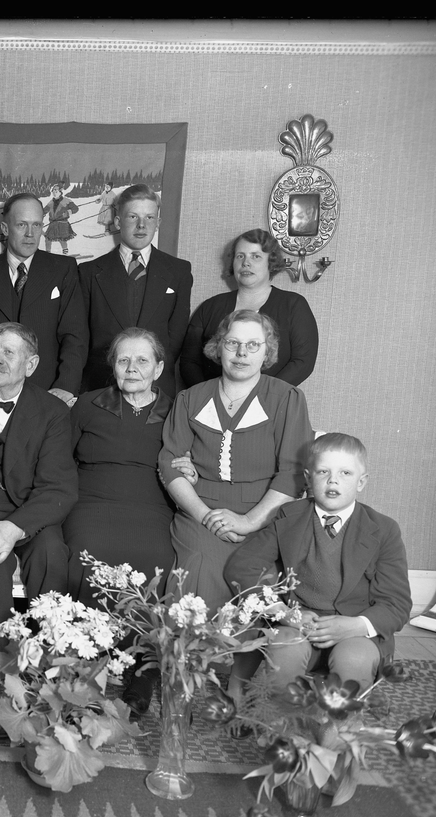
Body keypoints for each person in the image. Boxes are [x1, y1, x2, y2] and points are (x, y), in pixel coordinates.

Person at [158, 310, 313, 699]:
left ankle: (239, 680)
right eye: (233, 343)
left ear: (267, 351)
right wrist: (204, 515)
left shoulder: (287, 398)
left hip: (266, 513)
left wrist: (249, 521)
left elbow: (293, 472)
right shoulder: (190, 398)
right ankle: (185, 675)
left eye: (253, 345)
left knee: (258, 577)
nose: (242, 353)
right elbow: (170, 462)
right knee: (197, 566)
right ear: (218, 348)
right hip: (200, 510)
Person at [224, 433, 412, 692]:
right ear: (308, 478)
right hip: (298, 626)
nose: (333, 480)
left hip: (353, 630)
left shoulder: (383, 530)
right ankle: (281, 714)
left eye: (345, 473)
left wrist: (357, 625)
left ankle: (340, 715)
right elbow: (242, 567)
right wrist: (285, 613)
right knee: (284, 652)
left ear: (361, 482)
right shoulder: (289, 517)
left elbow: (397, 603)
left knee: (354, 661)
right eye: (323, 472)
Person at [65, 328, 176, 717]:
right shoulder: (86, 404)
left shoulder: (176, 410)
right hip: (91, 501)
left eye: (142, 360)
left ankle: (143, 668)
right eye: (123, 360)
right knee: (88, 553)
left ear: (158, 368)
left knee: (158, 556)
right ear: (112, 366)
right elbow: (62, 459)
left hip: (152, 505)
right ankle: (89, 657)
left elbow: (191, 459)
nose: (132, 368)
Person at [0, 322, 78, 652]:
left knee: (51, 554)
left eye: (8, 353)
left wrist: (14, 528)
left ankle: (47, 655)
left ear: (31, 364)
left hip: (30, 511)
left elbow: (59, 488)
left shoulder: (52, 411)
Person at [0, 193, 87, 403]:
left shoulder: (63, 269)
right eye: (22, 225)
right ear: (5, 229)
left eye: (36, 225)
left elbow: (75, 335)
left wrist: (66, 386)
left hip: (48, 394)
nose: (30, 234)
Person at [80, 184, 193, 398]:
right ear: (117, 222)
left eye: (149, 218)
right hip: (102, 385)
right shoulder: (89, 272)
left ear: (158, 223)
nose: (142, 225)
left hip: (157, 388)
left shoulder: (179, 271)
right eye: (133, 217)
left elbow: (176, 335)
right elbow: (83, 336)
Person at [179, 228, 319, 388]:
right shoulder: (210, 307)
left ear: (271, 263)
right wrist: (210, 396)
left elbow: (303, 362)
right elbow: (189, 362)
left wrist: (264, 395)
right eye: (240, 256)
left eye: (256, 256)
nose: (246, 263)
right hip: (212, 400)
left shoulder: (293, 305)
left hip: (272, 400)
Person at [42, 184, 78, 255]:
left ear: (60, 192)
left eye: (56, 191)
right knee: (48, 239)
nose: (54, 193)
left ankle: (65, 252)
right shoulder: (51, 202)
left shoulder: (66, 201)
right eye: (53, 191)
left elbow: (75, 208)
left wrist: (68, 212)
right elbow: (44, 211)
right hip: (53, 223)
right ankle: (47, 254)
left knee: (62, 239)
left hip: (62, 223)